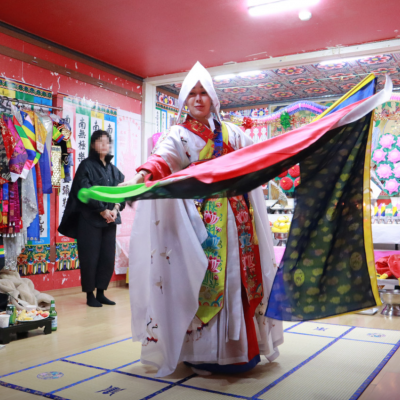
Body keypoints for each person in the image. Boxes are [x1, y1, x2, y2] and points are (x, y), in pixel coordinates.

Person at [122, 62, 283, 377]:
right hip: (200, 225)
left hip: (239, 220)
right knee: (202, 280)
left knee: (240, 279)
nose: (198, 99)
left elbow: (258, 157)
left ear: (213, 98)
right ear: (185, 100)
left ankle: (243, 351)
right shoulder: (179, 134)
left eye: (203, 93)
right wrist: (140, 176)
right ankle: (203, 355)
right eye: (192, 94)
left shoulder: (232, 132)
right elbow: (162, 158)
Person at [59, 130, 125, 307]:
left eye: (107, 142)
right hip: (89, 220)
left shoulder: (113, 170)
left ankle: (101, 292)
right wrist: (102, 210)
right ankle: (90, 295)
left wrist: (115, 209)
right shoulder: (86, 166)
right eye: (100, 141)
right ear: (93, 144)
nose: (104, 145)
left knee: (107, 258)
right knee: (90, 258)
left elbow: (121, 192)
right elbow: (84, 190)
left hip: (109, 221)